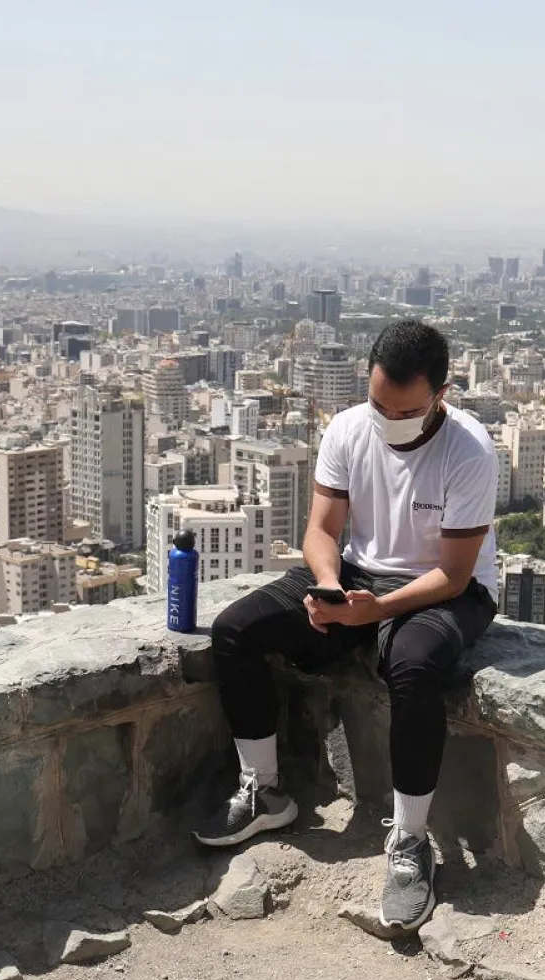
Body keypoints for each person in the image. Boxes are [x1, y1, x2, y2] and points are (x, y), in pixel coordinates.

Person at [193, 318, 499, 932]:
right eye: (379, 405)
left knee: (413, 666)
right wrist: (330, 587)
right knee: (235, 630)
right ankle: (265, 790)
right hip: (359, 574)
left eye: (405, 411)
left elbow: (455, 573)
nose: (389, 420)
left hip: (446, 590)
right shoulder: (348, 429)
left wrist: (376, 611)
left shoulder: (469, 449)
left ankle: (410, 840)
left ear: (440, 395)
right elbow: (320, 530)